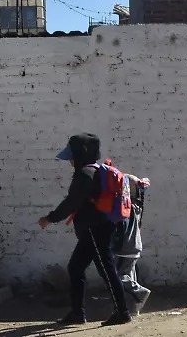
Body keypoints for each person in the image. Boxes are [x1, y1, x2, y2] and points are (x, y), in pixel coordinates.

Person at [38, 133, 133, 326]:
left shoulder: (85, 175)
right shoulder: (97, 170)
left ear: (81, 154)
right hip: (97, 227)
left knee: (106, 269)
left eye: (72, 156)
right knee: (76, 267)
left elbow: (71, 203)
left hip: (95, 228)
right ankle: (77, 314)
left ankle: (122, 312)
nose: (70, 161)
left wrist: (50, 218)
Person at [113, 172, 152, 315]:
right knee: (130, 276)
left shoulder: (125, 207)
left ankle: (141, 292)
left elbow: (121, 228)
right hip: (134, 246)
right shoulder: (137, 205)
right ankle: (134, 309)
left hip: (125, 248)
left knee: (117, 276)